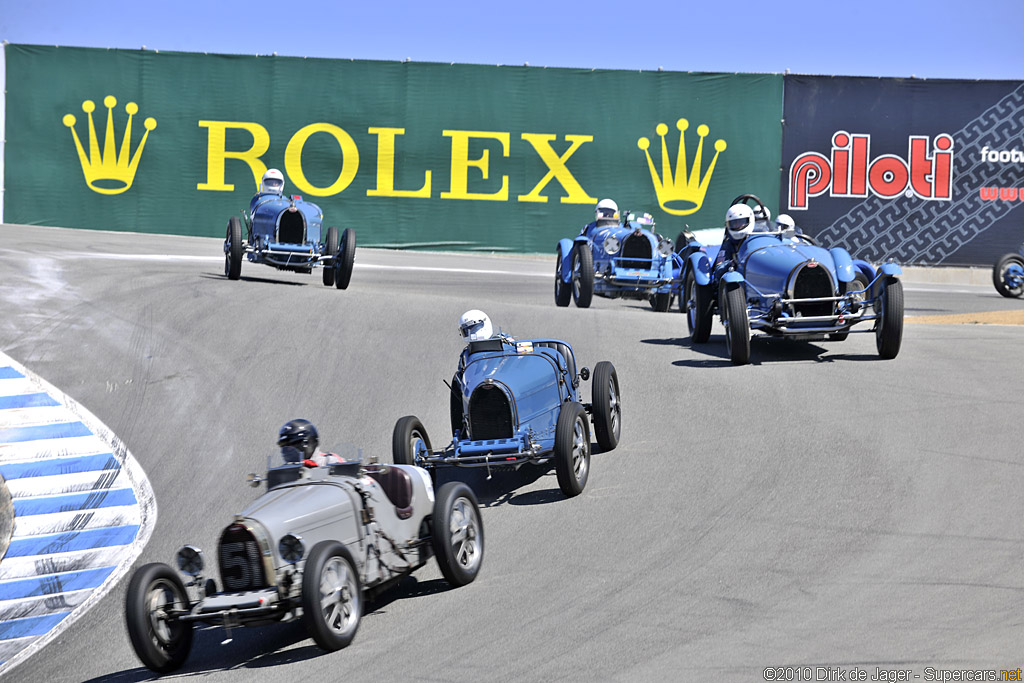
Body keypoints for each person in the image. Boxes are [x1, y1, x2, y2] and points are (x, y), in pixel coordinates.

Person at [277, 418, 343, 467]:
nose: (285, 450)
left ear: (305, 443)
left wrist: (316, 469)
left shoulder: (330, 461)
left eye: (289, 446)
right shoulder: (282, 472)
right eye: (283, 446)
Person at [715, 203, 755, 268]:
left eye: (741, 222)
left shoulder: (758, 237)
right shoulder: (729, 245)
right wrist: (732, 263)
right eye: (734, 223)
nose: (737, 226)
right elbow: (719, 269)